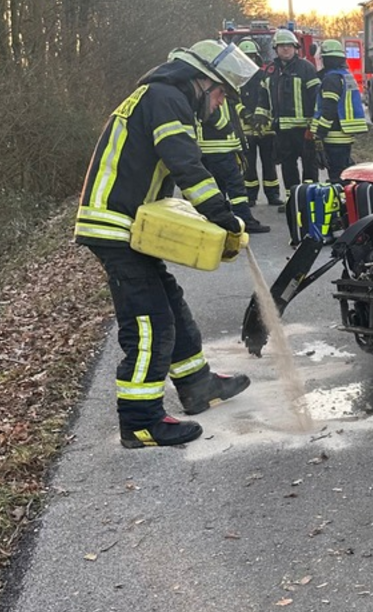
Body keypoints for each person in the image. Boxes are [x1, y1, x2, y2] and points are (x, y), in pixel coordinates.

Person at [73, 40, 257, 448]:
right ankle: (141, 422)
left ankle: (197, 386)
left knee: (170, 303)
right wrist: (223, 216)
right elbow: (185, 164)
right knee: (149, 323)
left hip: (127, 224)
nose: (219, 104)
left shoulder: (164, 96)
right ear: (203, 82)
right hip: (115, 225)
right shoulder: (167, 98)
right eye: (221, 94)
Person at [196, 65, 268, 234]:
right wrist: (227, 127)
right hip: (219, 146)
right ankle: (244, 219)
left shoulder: (213, 86)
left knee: (219, 187)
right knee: (236, 186)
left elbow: (233, 110)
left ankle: (220, 220)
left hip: (217, 147)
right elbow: (210, 114)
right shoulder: (211, 88)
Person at [264, 29, 320, 211]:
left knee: (309, 165)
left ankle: (310, 200)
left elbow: (316, 98)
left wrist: (314, 125)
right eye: (282, 46)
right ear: (276, 49)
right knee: (288, 166)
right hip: (282, 129)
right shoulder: (271, 70)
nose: (286, 49)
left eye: (289, 46)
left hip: (304, 128)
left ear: (296, 48)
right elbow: (264, 97)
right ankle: (293, 201)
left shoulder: (306, 68)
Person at [313, 39, 369, 183]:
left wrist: (320, 132)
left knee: (337, 176)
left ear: (326, 59)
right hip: (345, 133)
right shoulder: (345, 75)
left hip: (333, 134)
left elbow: (329, 109)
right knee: (345, 170)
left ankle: (343, 195)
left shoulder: (331, 79)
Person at [238, 39, 281, 207]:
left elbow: (270, 99)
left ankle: (273, 194)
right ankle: (250, 195)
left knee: (269, 163)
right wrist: (245, 113)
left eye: (251, 56)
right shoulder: (236, 78)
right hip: (246, 129)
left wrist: (261, 116)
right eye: (245, 56)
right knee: (248, 165)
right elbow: (232, 100)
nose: (249, 59)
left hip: (266, 128)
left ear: (257, 57)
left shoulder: (264, 76)